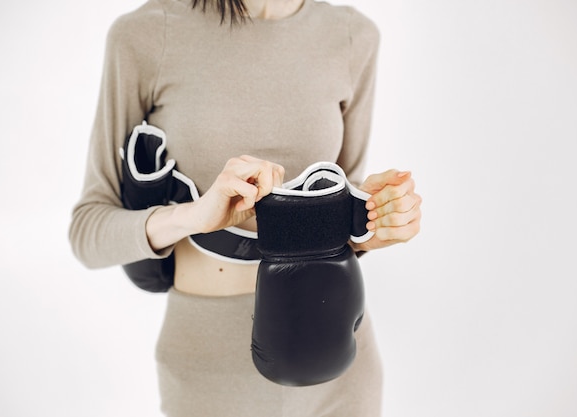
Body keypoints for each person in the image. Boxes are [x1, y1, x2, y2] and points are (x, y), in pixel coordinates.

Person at [69, 0, 422, 415]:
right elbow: (87, 232)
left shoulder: (351, 34)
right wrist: (192, 216)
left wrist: (375, 219)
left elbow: (344, 203)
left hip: (335, 357)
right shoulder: (149, 33)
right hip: (207, 369)